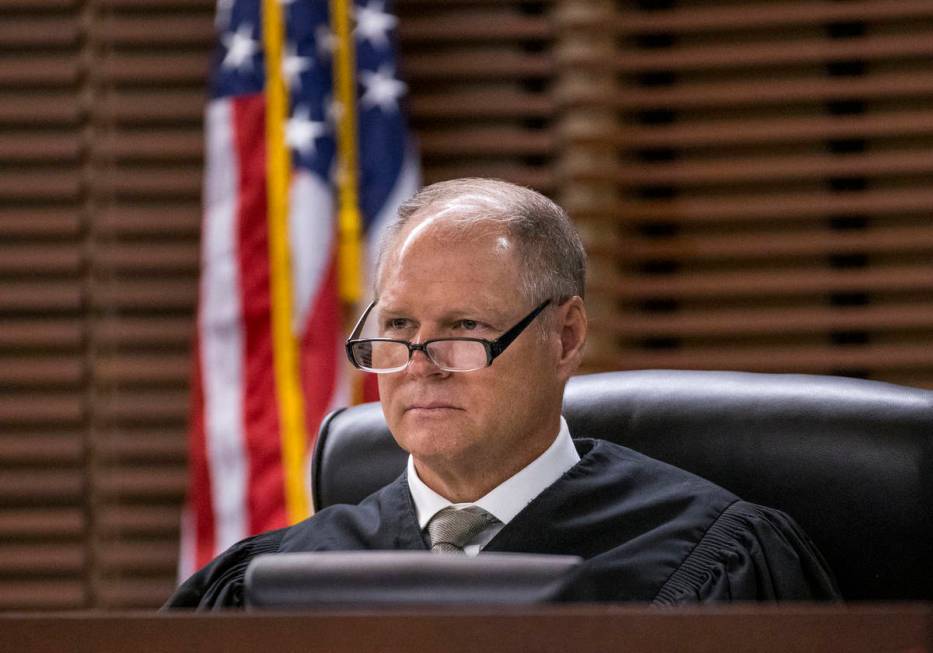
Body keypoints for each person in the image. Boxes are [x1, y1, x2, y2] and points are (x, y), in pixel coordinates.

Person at [166, 178, 839, 608]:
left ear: (566, 336)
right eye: (398, 326)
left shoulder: (716, 561)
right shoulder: (272, 580)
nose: (419, 364)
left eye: (464, 327)